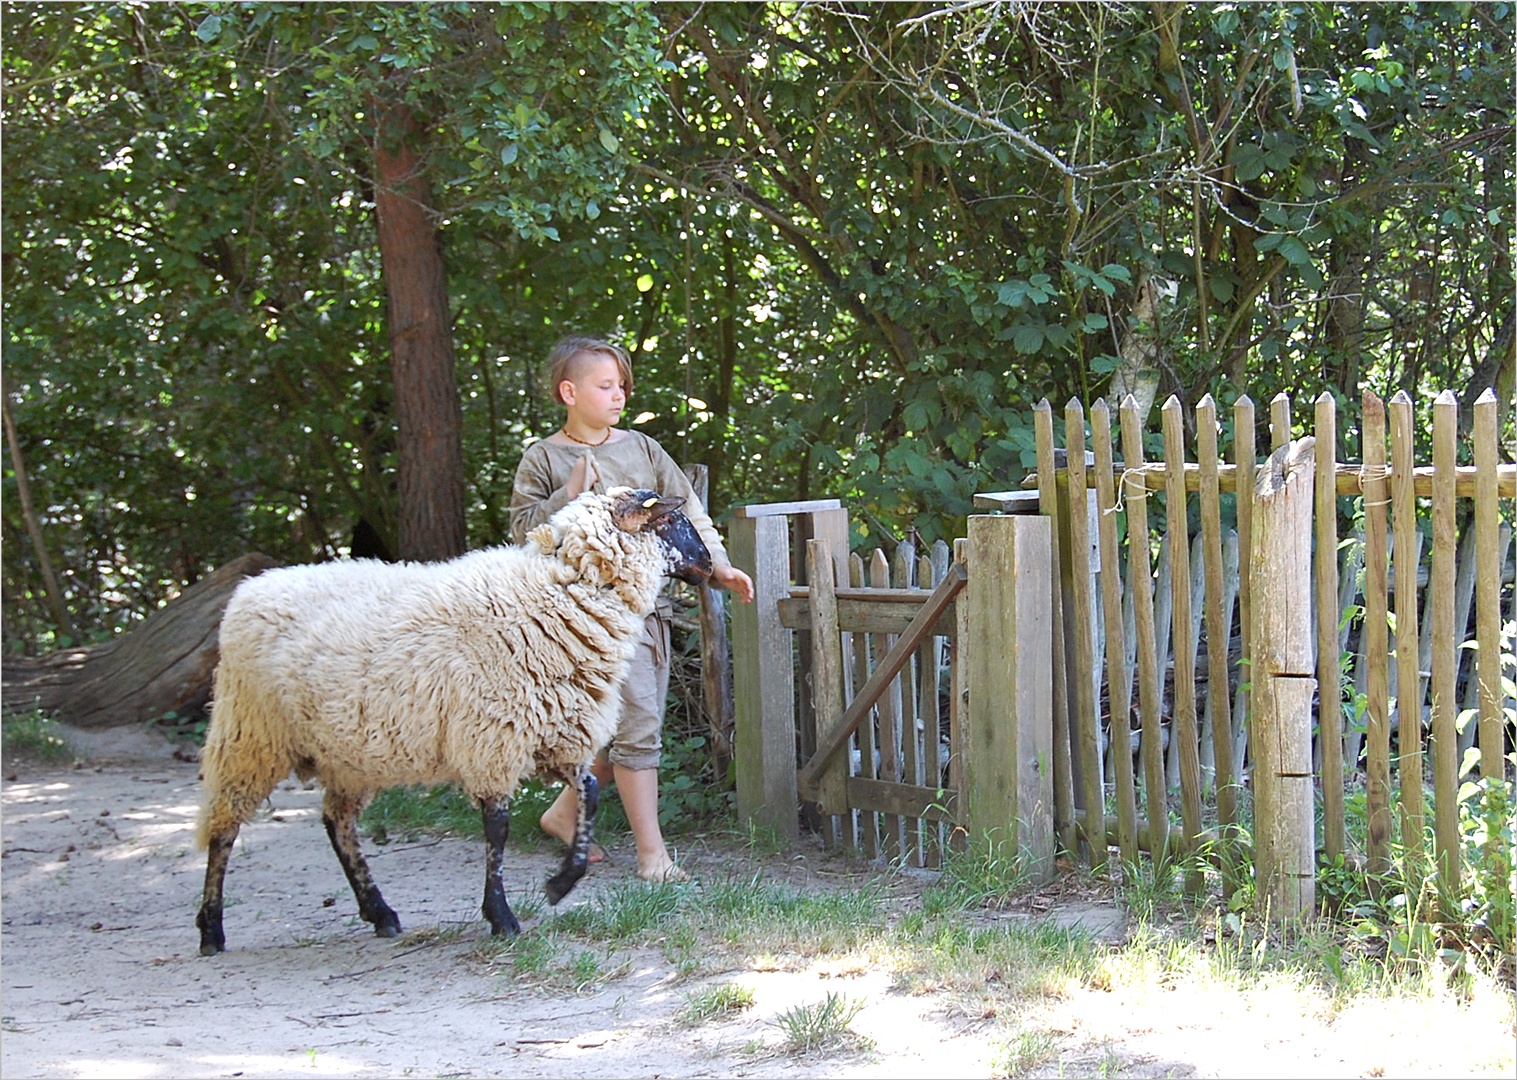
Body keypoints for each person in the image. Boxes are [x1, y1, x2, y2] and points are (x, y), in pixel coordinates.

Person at [509, 335, 755, 883]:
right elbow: (523, 536)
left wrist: (718, 565)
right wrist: (565, 494)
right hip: (571, 623)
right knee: (615, 729)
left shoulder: (642, 449)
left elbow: (686, 512)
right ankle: (630, 848)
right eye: (605, 385)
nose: (618, 394)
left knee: (631, 725)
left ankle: (601, 832)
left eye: (622, 385)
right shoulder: (544, 458)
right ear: (568, 392)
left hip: (640, 615)